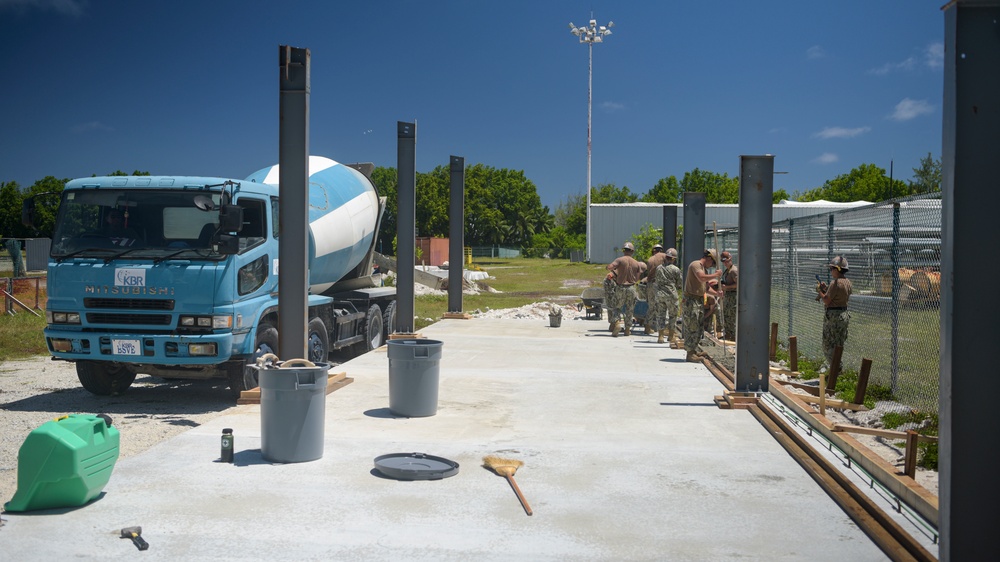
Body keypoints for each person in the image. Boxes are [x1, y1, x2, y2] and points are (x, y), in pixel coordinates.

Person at [682, 249, 723, 362]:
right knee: (692, 326)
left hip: (698, 300)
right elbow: (701, 277)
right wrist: (716, 274)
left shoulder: (703, 269)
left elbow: (706, 287)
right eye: (713, 263)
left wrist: (717, 294)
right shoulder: (696, 265)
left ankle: (693, 350)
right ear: (709, 258)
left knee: (698, 327)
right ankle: (690, 354)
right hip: (691, 300)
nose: (712, 265)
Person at [817, 256, 852, 368]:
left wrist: (820, 292)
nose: (831, 271)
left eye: (832, 269)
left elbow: (827, 300)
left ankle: (836, 369)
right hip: (843, 315)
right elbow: (837, 295)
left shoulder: (835, 283)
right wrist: (826, 289)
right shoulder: (847, 282)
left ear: (837, 269)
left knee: (828, 345)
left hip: (833, 317)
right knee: (838, 344)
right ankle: (836, 370)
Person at [606, 241, 647, 337]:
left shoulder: (620, 260)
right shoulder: (636, 263)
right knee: (630, 309)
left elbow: (610, 267)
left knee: (616, 307)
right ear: (632, 251)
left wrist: (610, 269)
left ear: (624, 250)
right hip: (632, 288)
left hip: (621, 287)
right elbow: (637, 278)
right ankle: (627, 329)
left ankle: (617, 323)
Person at [655, 247, 683, 344]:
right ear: (673, 258)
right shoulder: (676, 269)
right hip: (671, 294)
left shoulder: (658, 268)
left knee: (660, 315)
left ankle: (660, 336)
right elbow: (680, 283)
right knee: (673, 315)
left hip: (660, 294)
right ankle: (671, 336)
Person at [643, 244, 669, 336]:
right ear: (661, 250)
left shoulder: (650, 259)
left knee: (651, 306)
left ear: (653, 250)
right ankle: (664, 327)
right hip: (661, 285)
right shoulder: (665, 257)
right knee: (663, 305)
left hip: (651, 284)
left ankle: (647, 326)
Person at [719, 251, 739, 341]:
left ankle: (733, 335)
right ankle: (728, 334)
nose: (725, 263)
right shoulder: (727, 271)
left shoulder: (734, 271)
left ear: (730, 260)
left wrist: (727, 287)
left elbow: (738, 284)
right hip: (728, 295)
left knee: (731, 316)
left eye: (726, 261)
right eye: (723, 262)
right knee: (726, 315)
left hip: (733, 296)